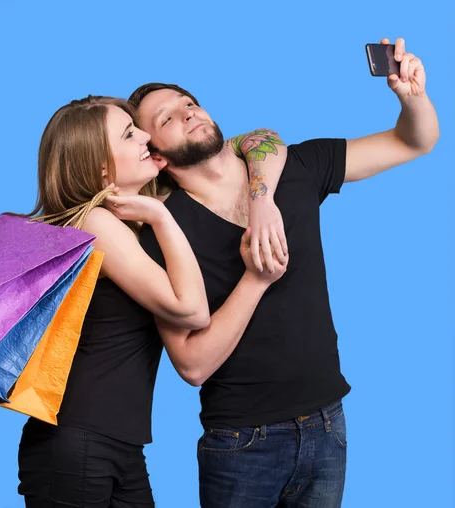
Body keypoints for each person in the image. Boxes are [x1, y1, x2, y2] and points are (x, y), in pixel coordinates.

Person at [130, 37, 438, 508]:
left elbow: (414, 140)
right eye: (167, 118)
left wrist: (412, 98)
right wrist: (256, 279)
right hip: (241, 443)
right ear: (157, 154)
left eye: (189, 103)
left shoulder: (296, 165)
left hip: (328, 424)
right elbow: (191, 366)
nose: (188, 113)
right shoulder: (161, 231)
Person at [17, 95, 289, 507]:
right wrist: (163, 217)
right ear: (102, 168)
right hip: (76, 440)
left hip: (114, 442)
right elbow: (192, 310)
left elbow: (259, 140)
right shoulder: (95, 224)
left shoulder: (131, 220)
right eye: (129, 134)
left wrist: (260, 198)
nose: (146, 136)